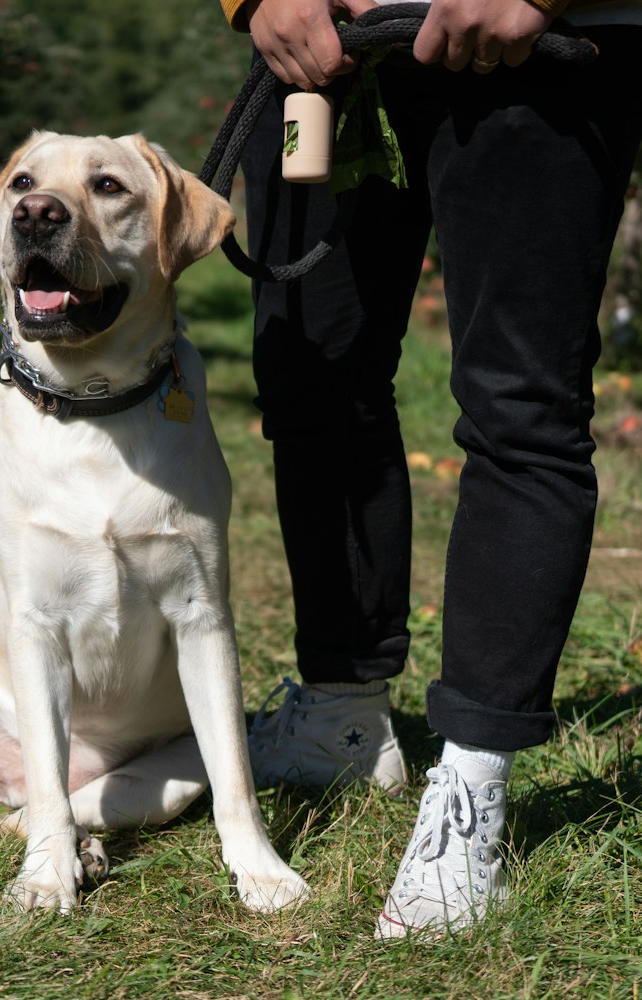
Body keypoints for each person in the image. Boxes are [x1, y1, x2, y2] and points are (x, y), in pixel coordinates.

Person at [218, 0, 642, 937]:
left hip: (530, 45)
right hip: (324, 60)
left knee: (519, 407)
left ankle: (473, 785)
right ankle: (342, 713)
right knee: (312, 382)